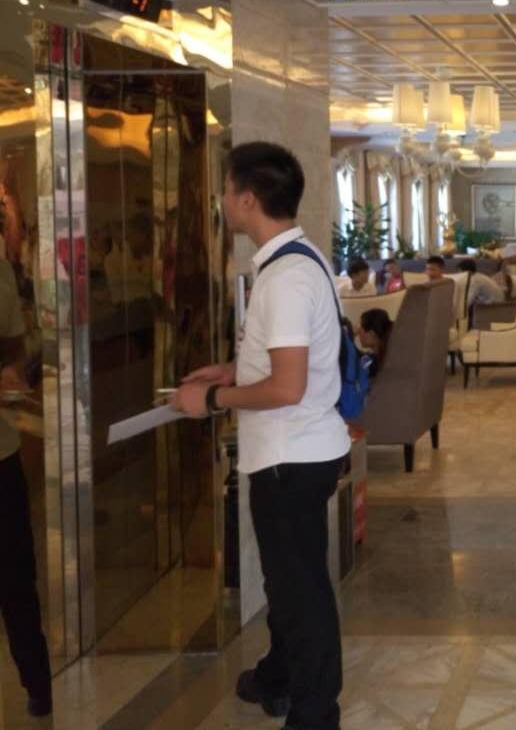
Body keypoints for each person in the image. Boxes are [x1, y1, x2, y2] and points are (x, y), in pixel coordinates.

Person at [172, 142, 349, 730]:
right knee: (288, 579)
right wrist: (231, 371)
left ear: (247, 198)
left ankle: (315, 713)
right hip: (297, 450)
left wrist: (210, 401)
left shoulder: (286, 278)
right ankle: (278, 675)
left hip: (289, 457)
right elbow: (289, 360)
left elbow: (288, 386)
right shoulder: (297, 258)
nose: (221, 200)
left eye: (225, 190)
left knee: (301, 591)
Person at [0, 256, 51, 719]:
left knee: (17, 578)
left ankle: (39, 681)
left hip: (2, 454)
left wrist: (13, 371)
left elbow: (12, 344)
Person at [357, 308, 393, 379]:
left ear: (371, 334)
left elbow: (357, 364)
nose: (358, 333)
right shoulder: (387, 355)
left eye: (360, 329)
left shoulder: (372, 361)